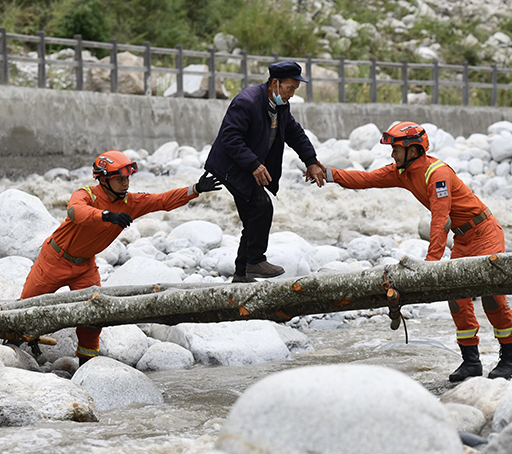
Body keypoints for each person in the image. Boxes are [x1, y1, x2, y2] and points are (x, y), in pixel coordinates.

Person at [322, 122, 512, 381]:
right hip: (463, 238)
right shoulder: (402, 171)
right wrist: (326, 174)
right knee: (456, 299)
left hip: (485, 233)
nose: (392, 154)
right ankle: (471, 362)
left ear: (412, 149)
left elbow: (440, 220)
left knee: (492, 298)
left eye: (396, 149)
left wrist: (430, 265)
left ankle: (510, 359)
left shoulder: (437, 174)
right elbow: (366, 179)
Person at [20, 150, 222, 365]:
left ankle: (87, 365)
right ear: (103, 179)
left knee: (93, 316)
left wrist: (196, 189)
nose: (125, 183)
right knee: (25, 309)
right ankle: (16, 343)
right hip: (54, 260)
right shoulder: (85, 194)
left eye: (127, 178)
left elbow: (161, 200)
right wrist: (106, 215)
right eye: (119, 179)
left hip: (85, 267)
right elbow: (74, 212)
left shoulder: (130, 203)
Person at [204, 60, 326, 283]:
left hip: (248, 164)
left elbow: (294, 133)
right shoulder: (247, 102)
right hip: (232, 165)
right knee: (261, 206)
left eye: (294, 90)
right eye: (290, 88)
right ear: (275, 83)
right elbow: (230, 139)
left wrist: (311, 161)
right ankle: (254, 262)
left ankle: (241, 274)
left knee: (252, 217)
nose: (291, 94)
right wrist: (253, 164)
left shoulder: (280, 105)